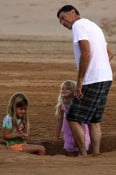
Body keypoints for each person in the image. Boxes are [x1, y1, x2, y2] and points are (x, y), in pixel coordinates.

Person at [57, 5, 113, 156]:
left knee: (72, 117)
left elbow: (86, 52)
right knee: (94, 120)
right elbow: (109, 54)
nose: (62, 22)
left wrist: (80, 81)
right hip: (106, 77)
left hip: (92, 79)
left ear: (73, 13)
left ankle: (83, 154)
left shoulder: (78, 25)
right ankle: (95, 154)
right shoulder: (93, 26)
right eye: (60, 21)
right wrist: (100, 68)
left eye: (63, 18)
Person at [54, 80, 90, 156]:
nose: (63, 90)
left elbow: (81, 123)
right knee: (70, 150)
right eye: (62, 89)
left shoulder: (76, 104)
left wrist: (77, 140)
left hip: (80, 130)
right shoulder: (62, 104)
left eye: (67, 89)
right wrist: (56, 136)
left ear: (73, 91)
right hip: (68, 131)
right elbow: (60, 121)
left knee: (80, 150)